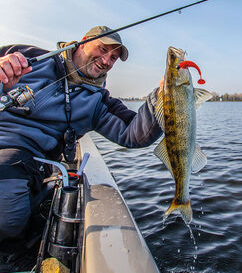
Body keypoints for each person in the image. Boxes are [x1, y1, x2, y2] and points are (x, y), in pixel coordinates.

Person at [0, 26, 163, 243]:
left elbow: (134, 134)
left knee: (8, 190)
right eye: (102, 49)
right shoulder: (29, 56)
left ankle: (14, 248)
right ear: (84, 42)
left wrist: (165, 98)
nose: (106, 61)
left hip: (23, 162)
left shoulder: (100, 102)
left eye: (113, 58)